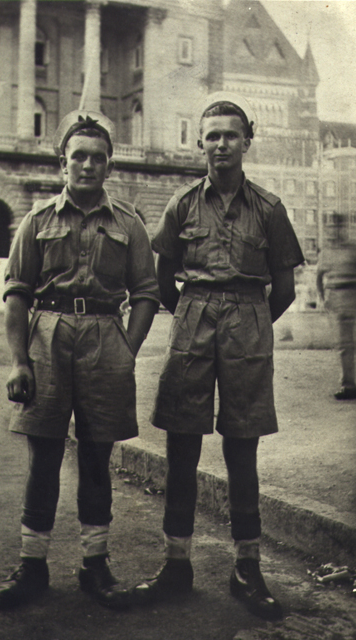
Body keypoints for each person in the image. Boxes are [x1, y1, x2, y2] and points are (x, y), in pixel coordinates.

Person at [133, 92, 304, 620]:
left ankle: (246, 568)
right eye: (211, 135)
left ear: (247, 142)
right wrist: (196, 315)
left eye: (231, 134)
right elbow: (163, 281)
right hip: (193, 317)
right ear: (200, 144)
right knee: (181, 443)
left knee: (242, 446)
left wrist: (249, 324)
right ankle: (176, 564)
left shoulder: (270, 208)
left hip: (249, 319)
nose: (221, 144)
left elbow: (285, 288)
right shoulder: (181, 205)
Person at [0, 110, 159, 610]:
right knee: (43, 457)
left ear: (109, 166)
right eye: (78, 156)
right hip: (47, 336)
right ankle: (32, 565)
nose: (87, 165)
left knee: (97, 459)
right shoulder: (37, 221)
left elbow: (146, 292)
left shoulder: (129, 223)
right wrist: (19, 361)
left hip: (107, 337)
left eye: (98, 157)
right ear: (62, 162)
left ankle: (96, 565)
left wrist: (128, 346)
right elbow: (17, 295)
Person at [317, 214, 356, 400]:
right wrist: (324, 297)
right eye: (332, 227)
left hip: (353, 294)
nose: (335, 231)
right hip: (336, 298)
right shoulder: (326, 252)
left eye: (339, 227)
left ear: (345, 228)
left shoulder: (353, 249)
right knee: (343, 345)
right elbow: (318, 276)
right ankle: (348, 385)